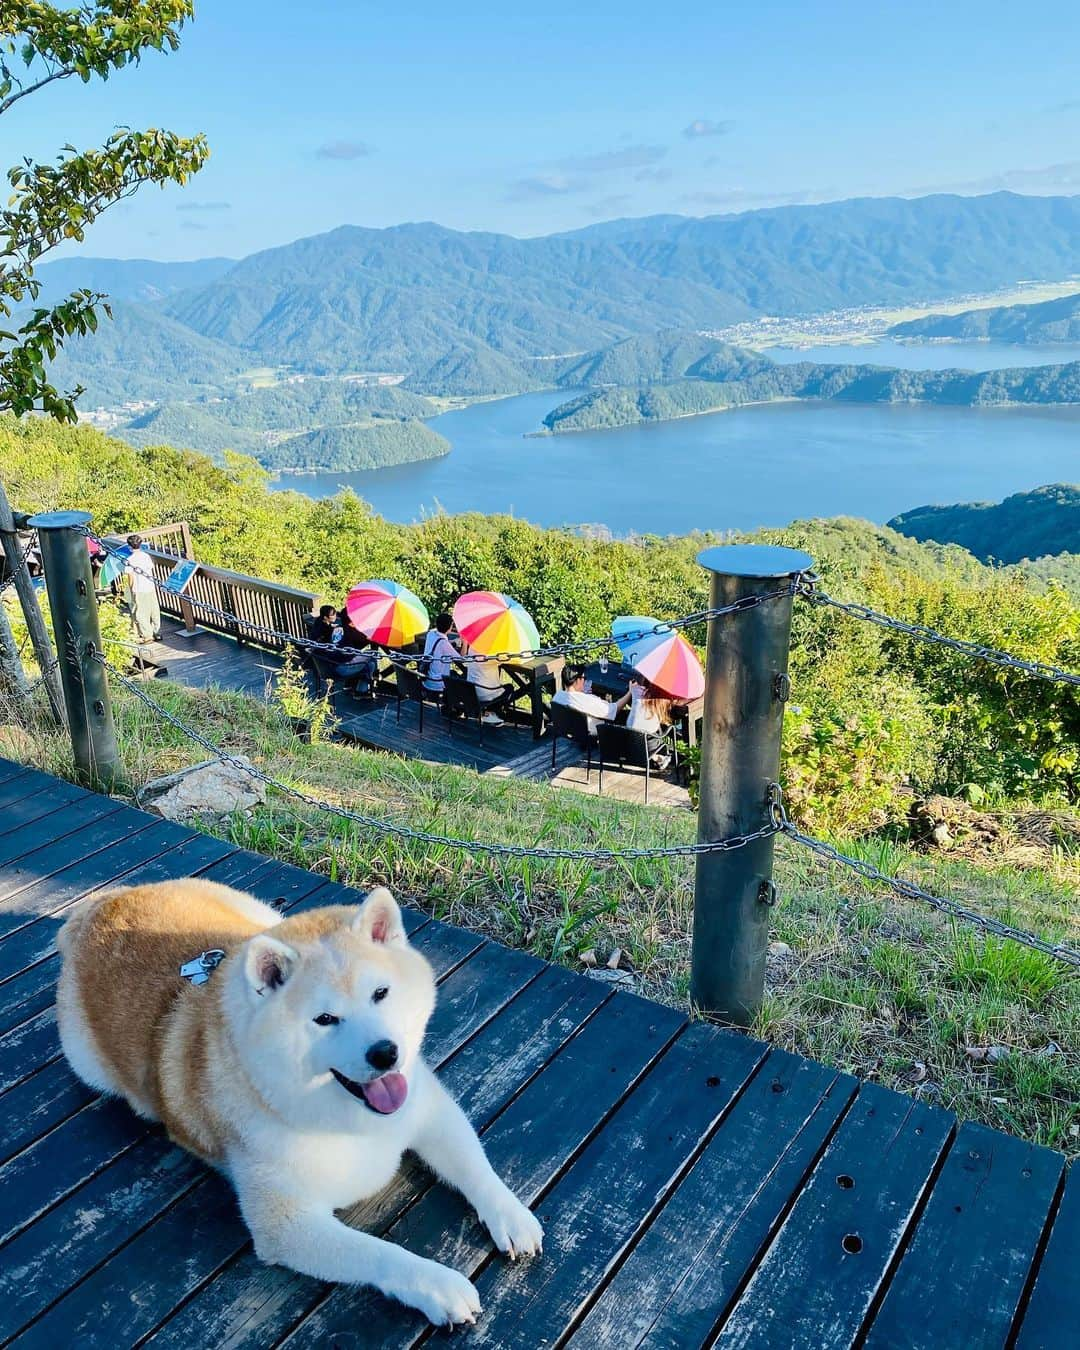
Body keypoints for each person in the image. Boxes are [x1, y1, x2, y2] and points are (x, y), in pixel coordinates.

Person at [551, 665, 630, 736]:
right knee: (626, 715)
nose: (584, 681)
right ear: (578, 680)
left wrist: (584, 694)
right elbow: (613, 710)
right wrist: (630, 692)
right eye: (584, 678)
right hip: (591, 733)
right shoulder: (587, 700)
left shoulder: (557, 696)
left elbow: (575, 700)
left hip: (571, 730)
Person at [627, 675, 675, 769]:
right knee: (657, 728)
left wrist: (631, 687)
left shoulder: (635, 690)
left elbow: (633, 687)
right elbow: (662, 719)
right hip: (648, 742)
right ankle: (659, 758)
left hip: (629, 736)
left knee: (645, 726)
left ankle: (658, 758)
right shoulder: (661, 699)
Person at [464, 643, 513, 728]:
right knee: (509, 688)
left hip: (470, 692)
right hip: (484, 693)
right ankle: (492, 712)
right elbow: (507, 658)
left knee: (499, 688)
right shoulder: (491, 653)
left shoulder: (472, 648)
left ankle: (490, 712)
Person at [125, 534, 161, 644]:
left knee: (141, 613)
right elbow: (150, 568)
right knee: (153, 609)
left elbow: (130, 576)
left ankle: (147, 635)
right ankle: (157, 631)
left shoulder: (130, 559)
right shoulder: (146, 556)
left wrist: (130, 589)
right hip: (150, 586)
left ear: (129, 546)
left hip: (139, 588)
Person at [422, 613, 459, 693]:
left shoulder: (430, 634)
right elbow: (461, 659)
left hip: (427, 679)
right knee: (460, 678)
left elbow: (439, 642)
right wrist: (465, 642)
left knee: (453, 673)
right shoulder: (444, 643)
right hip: (439, 683)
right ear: (449, 627)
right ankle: (449, 703)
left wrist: (451, 642)